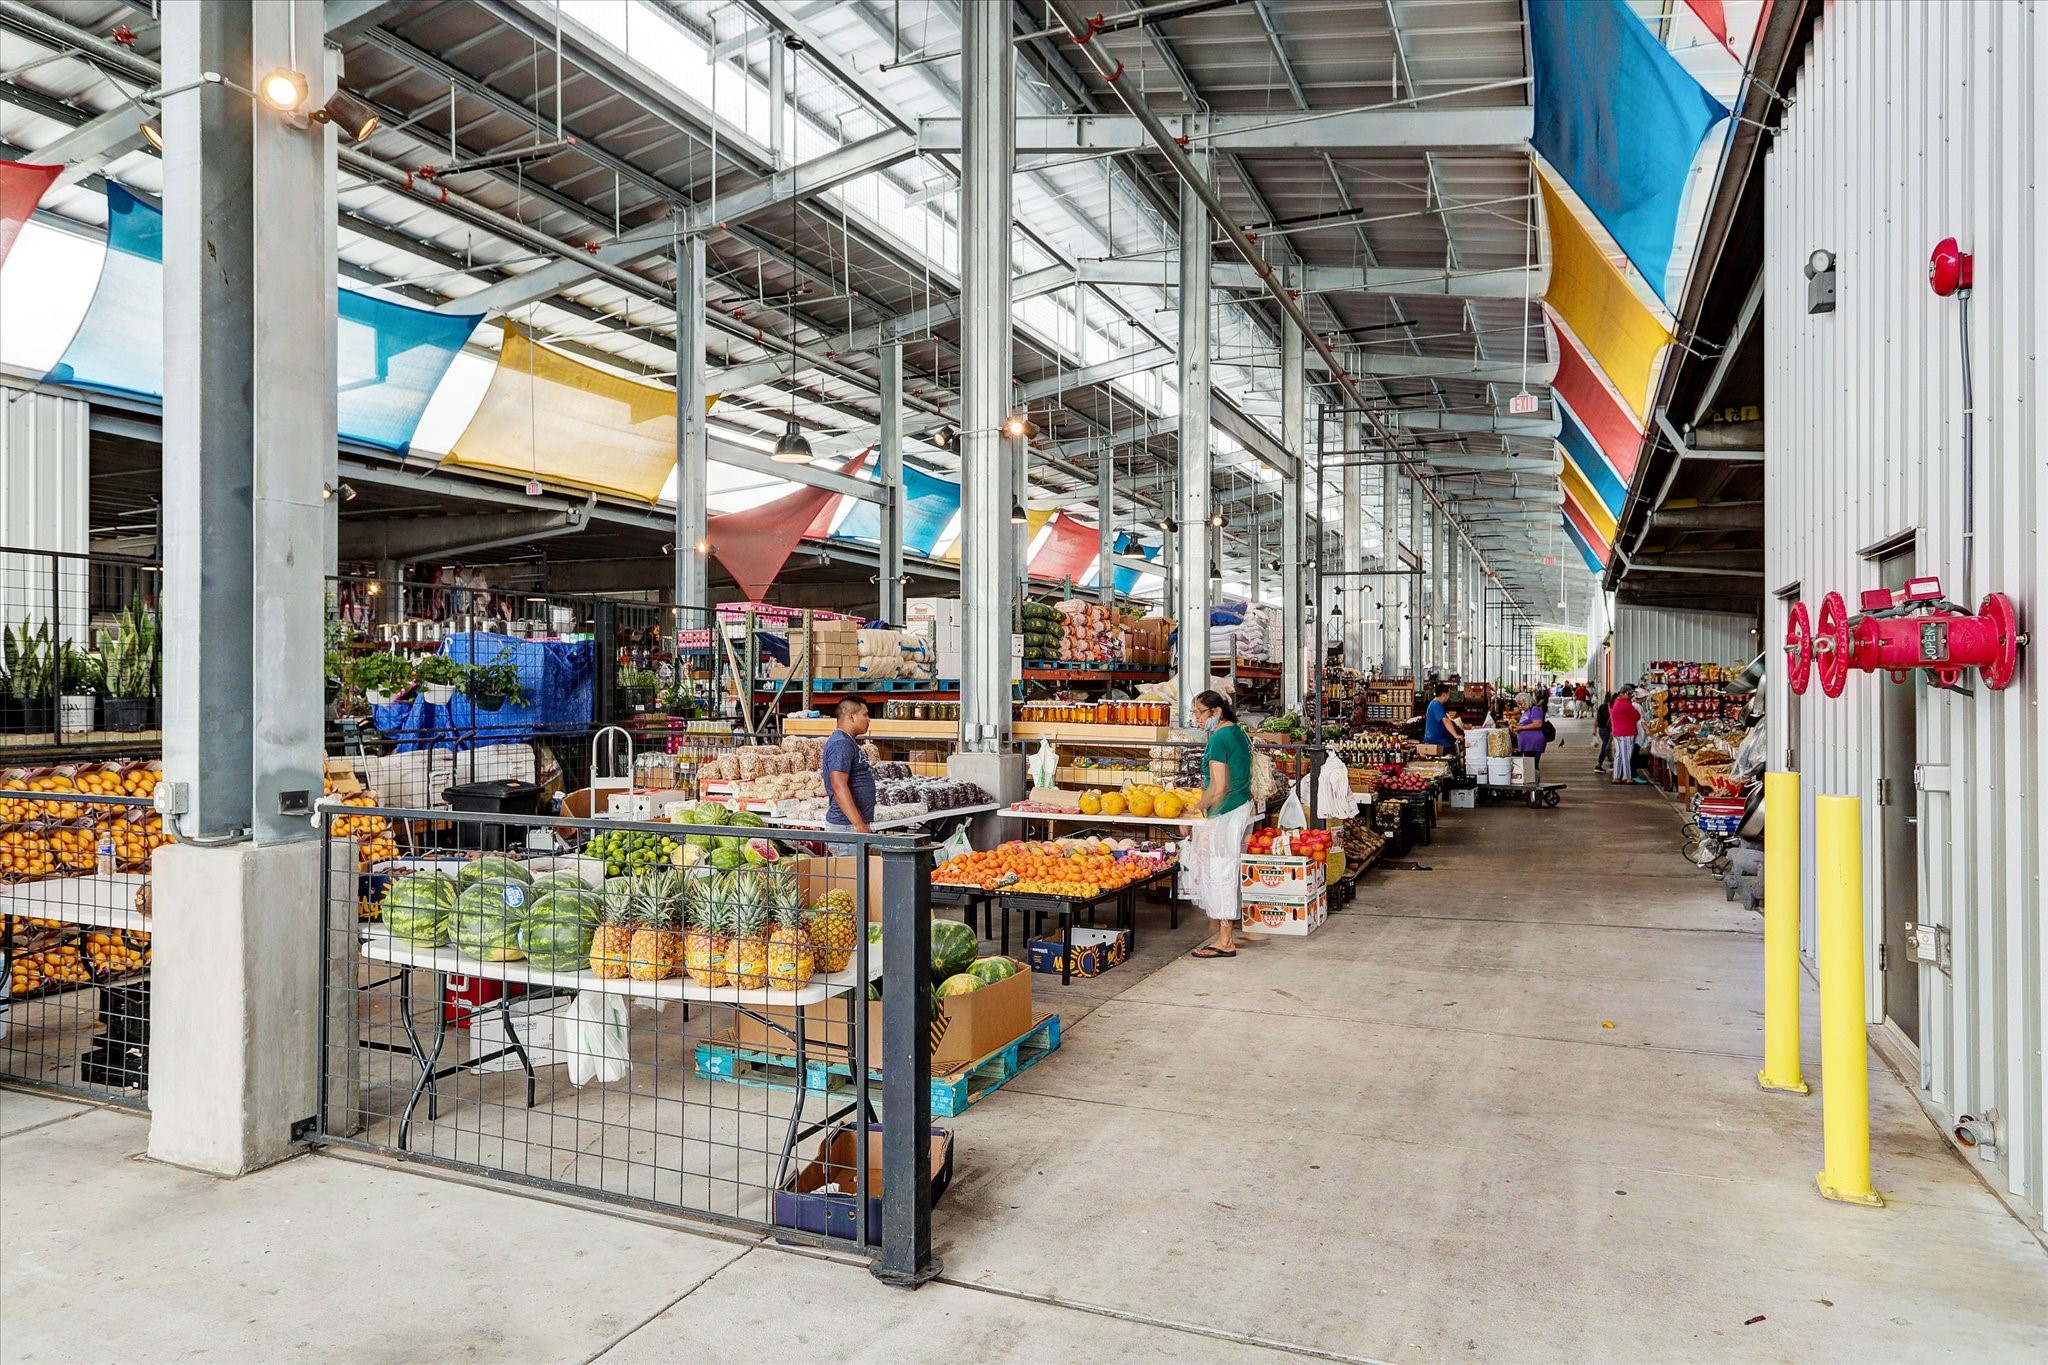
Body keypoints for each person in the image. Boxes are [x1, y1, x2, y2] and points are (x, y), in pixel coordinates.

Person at [1186, 689, 1255, 959]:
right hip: (1239, 807)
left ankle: (1226, 941)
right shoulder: (1237, 732)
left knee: (1220, 871)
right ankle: (1225, 933)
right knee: (1227, 869)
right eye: (1194, 714)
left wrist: (1196, 809)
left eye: (1200, 713)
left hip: (1225, 812)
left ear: (1216, 712)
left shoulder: (1219, 739)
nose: (1197, 719)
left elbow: (1219, 787)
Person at [821, 695, 876, 844]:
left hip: (850, 826)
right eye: (865, 714)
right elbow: (838, 786)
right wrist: (858, 824)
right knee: (850, 867)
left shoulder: (848, 742)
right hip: (846, 827)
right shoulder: (841, 743)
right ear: (851, 717)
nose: (868, 719)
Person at [1608, 685, 1642, 785]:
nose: (1631, 696)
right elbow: (1637, 716)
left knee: (1618, 755)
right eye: (1629, 694)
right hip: (1627, 732)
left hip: (1617, 732)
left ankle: (1616, 776)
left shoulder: (1615, 702)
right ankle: (1627, 777)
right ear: (1623, 693)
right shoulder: (1625, 704)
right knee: (1626, 755)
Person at [1513, 688, 1548, 777]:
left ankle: (1535, 786)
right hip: (1526, 744)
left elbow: (1538, 724)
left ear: (1527, 701)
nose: (1520, 707)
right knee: (1528, 766)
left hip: (1533, 744)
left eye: (1521, 704)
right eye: (1519, 705)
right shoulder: (1526, 712)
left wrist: (1521, 728)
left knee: (1533, 766)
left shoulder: (1535, 709)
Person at [1422, 681, 1465, 753]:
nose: (1449, 697)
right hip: (1436, 742)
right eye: (1449, 694)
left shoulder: (1435, 704)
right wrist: (1456, 735)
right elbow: (1446, 721)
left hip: (1438, 740)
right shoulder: (1436, 705)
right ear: (1444, 695)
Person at [1593, 691, 1614, 772]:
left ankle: (1612, 762)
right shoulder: (1611, 708)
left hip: (1601, 730)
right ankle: (1599, 765)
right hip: (1608, 730)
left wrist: (1594, 730)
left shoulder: (1601, 707)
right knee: (1605, 747)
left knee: (1607, 746)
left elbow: (1597, 719)